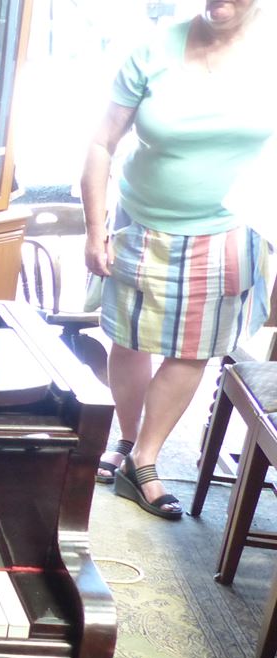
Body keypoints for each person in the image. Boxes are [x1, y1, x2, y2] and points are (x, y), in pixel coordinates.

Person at [82, 0, 275, 519]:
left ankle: (143, 460)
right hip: (141, 223)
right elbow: (102, 141)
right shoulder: (152, 49)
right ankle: (124, 439)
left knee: (191, 351)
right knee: (128, 338)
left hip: (227, 231)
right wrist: (95, 228)